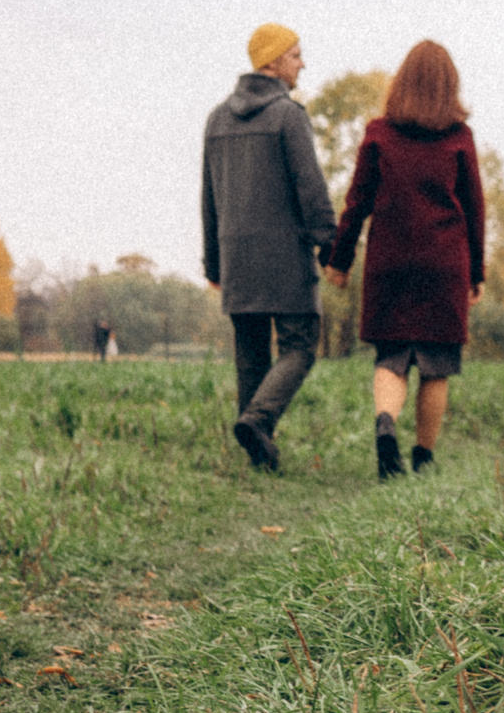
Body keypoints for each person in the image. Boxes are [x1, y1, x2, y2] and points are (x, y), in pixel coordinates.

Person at [323, 39, 483, 478]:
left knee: (391, 357)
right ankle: (424, 458)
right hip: (444, 263)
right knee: (436, 366)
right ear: (450, 86)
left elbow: (357, 202)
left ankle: (385, 425)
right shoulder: (459, 138)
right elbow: (474, 209)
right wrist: (477, 272)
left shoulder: (378, 133)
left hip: (389, 262)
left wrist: (339, 261)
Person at [202, 23, 334, 472]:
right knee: (300, 345)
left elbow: (209, 198)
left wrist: (213, 260)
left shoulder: (217, 118)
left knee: (251, 352)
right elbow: (310, 188)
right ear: (273, 62)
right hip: (284, 256)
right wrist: (328, 242)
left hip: (236, 255)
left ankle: (258, 455)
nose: (302, 63)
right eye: (296, 54)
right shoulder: (288, 116)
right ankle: (259, 421)